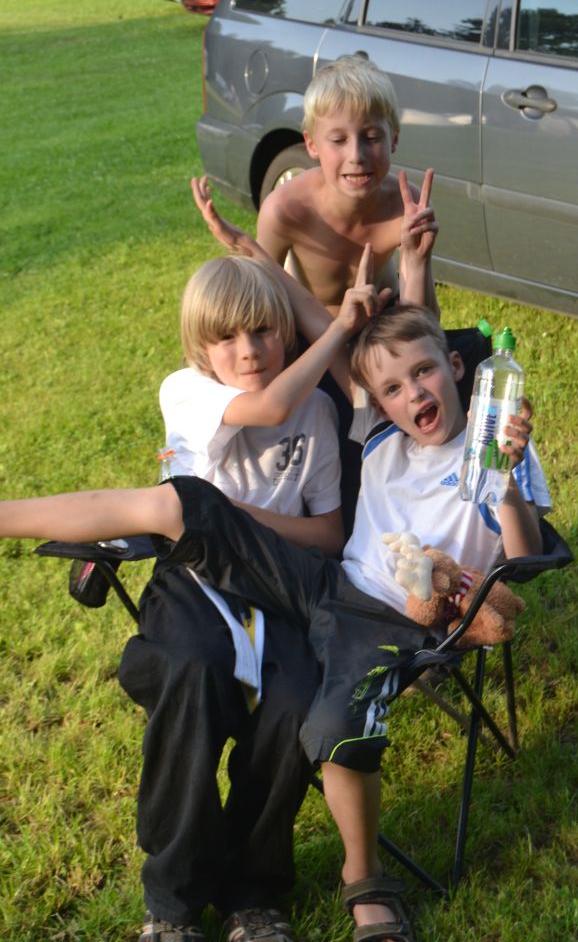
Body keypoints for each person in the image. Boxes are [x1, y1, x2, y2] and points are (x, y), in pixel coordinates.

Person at [0, 302, 551, 942]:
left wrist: (506, 481)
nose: (413, 394)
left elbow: (524, 556)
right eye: (393, 388)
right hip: (324, 585)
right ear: (378, 400)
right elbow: (345, 339)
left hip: (395, 624)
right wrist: (268, 257)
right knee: (187, 501)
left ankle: (364, 881)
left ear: (456, 367)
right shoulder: (380, 432)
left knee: (333, 724)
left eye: (425, 373)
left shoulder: (496, 452)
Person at [117, 252, 387, 942]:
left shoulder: (316, 414)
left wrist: (232, 516)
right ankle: (172, 902)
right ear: (198, 347)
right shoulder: (186, 390)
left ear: (284, 331)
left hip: (278, 587)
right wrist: (339, 327)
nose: (248, 350)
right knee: (193, 673)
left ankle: (254, 892)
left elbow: (328, 533)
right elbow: (267, 406)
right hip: (195, 581)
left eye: (264, 330)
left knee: (293, 698)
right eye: (227, 337)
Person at [192, 54, 440, 317]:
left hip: (382, 322)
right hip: (312, 328)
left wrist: (418, 261)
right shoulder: (285, 210)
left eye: (371, 137)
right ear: (311, 144)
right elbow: (265, 309)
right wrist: (243, 244)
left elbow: (426, 323)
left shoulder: (406, 207)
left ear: (394, 139)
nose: (356, 155)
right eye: (338, 140)